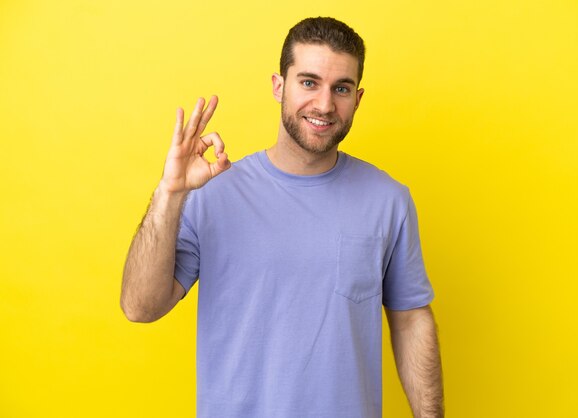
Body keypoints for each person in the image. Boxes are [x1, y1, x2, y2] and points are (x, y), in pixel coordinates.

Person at [121, 17, 444, 418]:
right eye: (308, 82)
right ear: (279, 85)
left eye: (340, 88)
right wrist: (169, 193)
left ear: (357, 98)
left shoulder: (388, 200)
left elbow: (411, 320)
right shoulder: (211, 193)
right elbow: (140, 306)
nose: (324, 105)